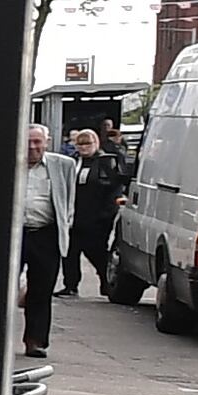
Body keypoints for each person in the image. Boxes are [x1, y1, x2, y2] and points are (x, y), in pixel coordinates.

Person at [18, 123, 76, 351]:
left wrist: (65, 227)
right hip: (15, 234)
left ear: (46, 142)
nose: (32, 147)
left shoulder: (63, 165)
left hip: (45, 233)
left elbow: (69, 200)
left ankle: (35, 341)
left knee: (41, 290)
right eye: (28, 141)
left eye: (37, 142)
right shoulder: (11, 163)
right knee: (4, 287)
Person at [63, 123, 127, 296]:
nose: (84, 148)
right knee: (70, 252)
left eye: (87, 144)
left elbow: (115, 187)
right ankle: (70, 285)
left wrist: (106, 213)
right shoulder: (73, 162)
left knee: (96, 252)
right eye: (80, 144)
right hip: (74, 215)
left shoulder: (106, 161)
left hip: (97, 215)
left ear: (96, 144)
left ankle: (105, 281)